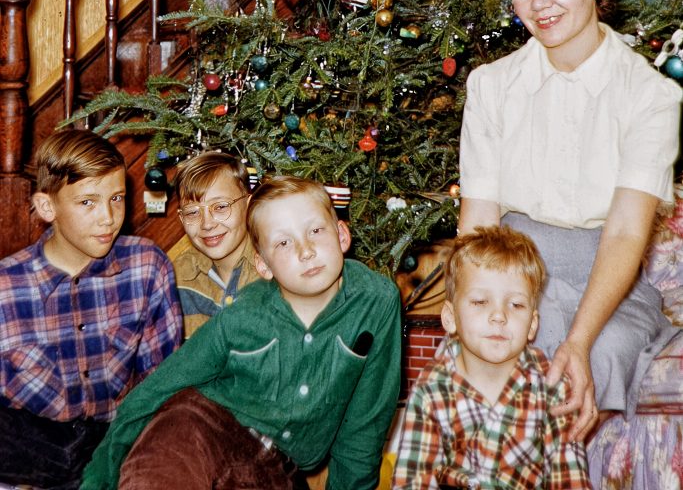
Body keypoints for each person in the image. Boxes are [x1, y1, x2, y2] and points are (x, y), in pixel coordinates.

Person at [458, 0, 683, 440]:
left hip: (610, 281)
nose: (540, 4)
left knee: (588, 360)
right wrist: (475, 307)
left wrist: (579, 342)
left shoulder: (651, 95)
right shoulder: (491, 87)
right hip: (510, 274)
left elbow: (627, 231)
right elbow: (477, 222)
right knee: (504, 353)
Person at [80, 174, 402, 490]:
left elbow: (366, 422)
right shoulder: (242, 318)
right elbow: (155, 391)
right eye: (284, 242)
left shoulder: (378, 301)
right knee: (165, 456)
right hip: (205, 426)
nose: (306, 251)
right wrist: (98, 480)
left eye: (315, 230)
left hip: (278, 467)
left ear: (342, 235)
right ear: (263, 266)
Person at [0, 129, 183, 490]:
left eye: (117, 198)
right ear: (46, 207)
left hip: (107, 450)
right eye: (88, 202)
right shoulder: (5, 288)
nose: (108, 218)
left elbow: (163, 387)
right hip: (24, 458)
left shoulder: (147, 267)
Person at [392, 225, 591, 489]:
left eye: (516, 305)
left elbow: (570, 478)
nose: (499, 316)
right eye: (480, 302)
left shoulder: (552, 387)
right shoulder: (432, 390)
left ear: (532, 325)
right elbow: (414, 479)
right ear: (450, 318)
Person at [172, 150, 258, 337]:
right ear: (181, 218)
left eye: (220, 207)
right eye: (192, 212)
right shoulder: (176, 277)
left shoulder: (275, 270)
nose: (207, 224)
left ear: (249, 205)